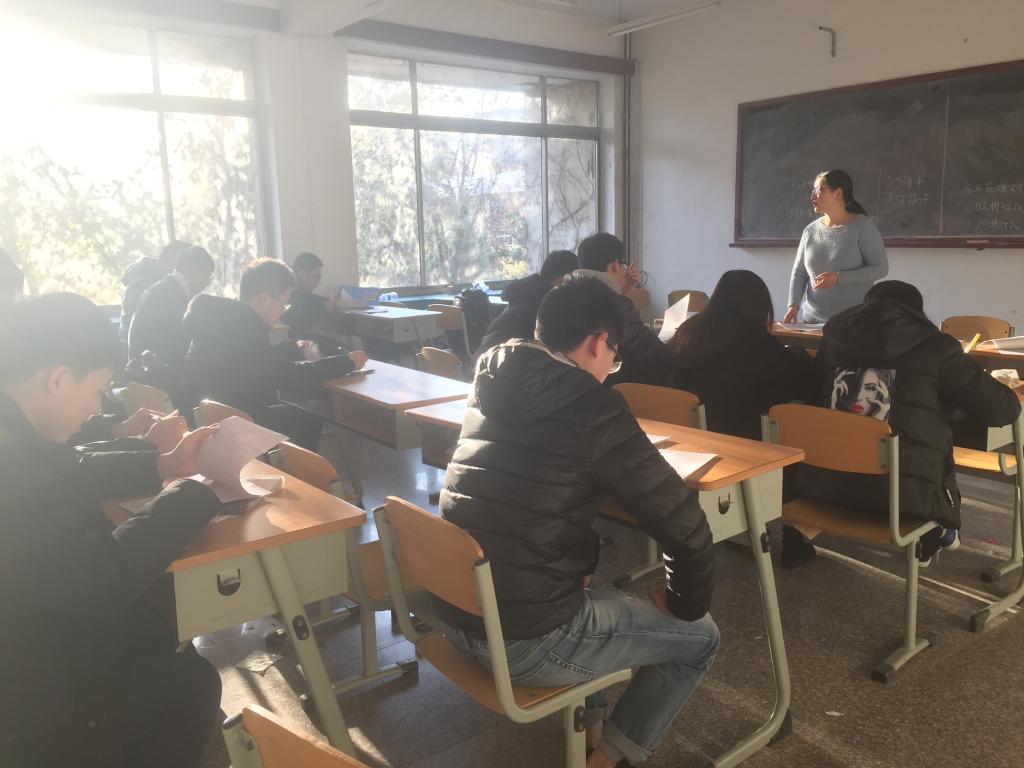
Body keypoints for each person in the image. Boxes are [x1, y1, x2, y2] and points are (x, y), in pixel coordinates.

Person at [438, 275, 718, 768]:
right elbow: (686, 528)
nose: (611, 368)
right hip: (524, 641)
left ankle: (593, 730)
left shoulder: (489, 379)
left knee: (588, 583)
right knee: (701, 637)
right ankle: (610, 759)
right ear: (597, 341)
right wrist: (683, 603)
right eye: (615, 356)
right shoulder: (594, 404)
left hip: (458, 615)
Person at [0, 293, 223, 768]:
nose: (95, 408)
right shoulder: (9, 465)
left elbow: (67, 468)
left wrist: (162, 465)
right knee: (194, 682)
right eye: (98, 390)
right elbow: (100, 578)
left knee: (154, 631)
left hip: (32, 642)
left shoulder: (16, 433)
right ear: (58, 379)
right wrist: (191, 494)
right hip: (30, 704)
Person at [788, 280, 1021, 567]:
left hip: (828, 487)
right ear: (916, 313)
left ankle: (935, 531)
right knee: (932, 437)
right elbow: (1004, 410)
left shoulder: (835, 339)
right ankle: (936, 529)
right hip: (907, 499)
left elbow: (815, 396)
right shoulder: (936, 346)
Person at [183, 258, 368, 450]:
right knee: (308, 416)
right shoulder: (246, 329)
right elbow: (287, 377)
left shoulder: (223, 320)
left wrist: (293, 347)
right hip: (237, 426)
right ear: (264, 298)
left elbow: (256, 361)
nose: (282, 312)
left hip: (209, 417)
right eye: (283, 304)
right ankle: (294, 469)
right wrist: (347, 363)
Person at [668, 270, 817, 440]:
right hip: (744, 442)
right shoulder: (758, 343)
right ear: (761, 307)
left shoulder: (688, 332)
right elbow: (805, 383)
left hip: (686, 437)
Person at [785, 169, 888, 324]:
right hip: (811, 322)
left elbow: (880, 268)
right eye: (813, 191)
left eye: (820, 190)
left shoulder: (862, 226)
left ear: (838, 193)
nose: (813, 196)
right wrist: (793, 305)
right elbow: (799, 273)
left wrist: (838, 277)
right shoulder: (810, 231)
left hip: (853, 322)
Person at [574, 232, 673, 386]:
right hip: (614, 389)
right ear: (615, 265)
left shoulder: (562, 296)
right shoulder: (616, 305)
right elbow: (654, 356)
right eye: (623, 265)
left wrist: (622, 291)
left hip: (573, 386)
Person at [474, 249, 578, 355]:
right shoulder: (546, 306)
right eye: (574, 280)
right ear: (562, 279)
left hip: (485, 357)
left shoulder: (526, 292)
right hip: (503, 360)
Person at [128, 245, 215, 370]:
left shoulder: (165, 288)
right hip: (152, 373)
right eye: (208, 275)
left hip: (141, 368)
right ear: (193, 270)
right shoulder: (173, 297)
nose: (207, 283)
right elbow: (179, 347)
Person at [119, 240, 189, 341]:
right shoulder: (141, 286)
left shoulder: (166, 283)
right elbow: (145, 327)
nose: (186, 270)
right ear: (169, 260)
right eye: (184, 264)